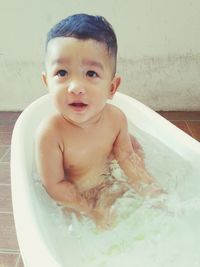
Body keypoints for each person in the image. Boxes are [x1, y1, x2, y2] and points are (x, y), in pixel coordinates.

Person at [36, 13, 163, 228]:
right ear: (47, 82)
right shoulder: (50, 133)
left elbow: (126, 157)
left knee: (149, 219)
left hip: (110, 185)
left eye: (91, 74)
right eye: (62, 72)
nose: (75, 87)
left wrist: (150, 188)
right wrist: (90, 210)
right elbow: (55, 185)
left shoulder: (116, 119)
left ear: (112, 88)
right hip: (74, 199)